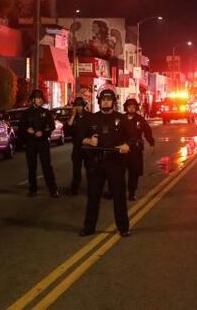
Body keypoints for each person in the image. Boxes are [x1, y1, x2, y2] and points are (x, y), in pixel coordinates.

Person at [77, 88, 134, 237]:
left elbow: (133, 136)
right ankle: (89, 228)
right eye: (103, 99)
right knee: (93, 197)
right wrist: (89, 140)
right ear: (99, 101)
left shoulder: (122, 119)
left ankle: (123, 228)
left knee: (119, 197)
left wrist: (127, 145)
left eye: (109, 99)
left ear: (114, 102)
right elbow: (78, 137)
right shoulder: (91, 119)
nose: (106, 101)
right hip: (96, 162)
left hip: (115, 162)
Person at [19, 90, 60, 197]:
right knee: (32, 167)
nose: (40, 100)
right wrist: (27, 129)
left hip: (43, 143)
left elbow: (52, 126)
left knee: (47, 167)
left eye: (41, 98)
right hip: (31, 143)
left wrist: (43, 132)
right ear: (33, 100)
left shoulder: (46, 112)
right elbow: (21, 126)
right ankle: (32, 189)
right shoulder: (26, 113)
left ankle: (53, 189)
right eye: (38, 98)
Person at [121, 97, 155, 201]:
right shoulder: (120, 119)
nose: (131, 109)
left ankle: (132, 193)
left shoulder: (140, 120)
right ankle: (116, 192)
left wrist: (152, 143)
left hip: (135, 151)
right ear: (126, 108)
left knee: (134, 173)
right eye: (129, 107)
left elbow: (147, 132)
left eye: (133, 107)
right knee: (118, 173)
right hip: (122, 150)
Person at [65, 97, 90, 195]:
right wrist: (73, 115)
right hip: (77, 147)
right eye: (76, 106)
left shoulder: (89, 116)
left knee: (90, 169)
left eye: (80, 105)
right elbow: (67, 129)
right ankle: (74, 188)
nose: (78, 108)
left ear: (83, 106)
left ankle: (91, 188)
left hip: (88, 147)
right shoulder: (73, 117)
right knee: (76, 169)